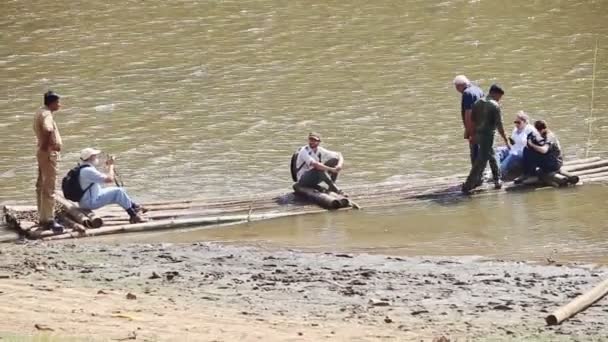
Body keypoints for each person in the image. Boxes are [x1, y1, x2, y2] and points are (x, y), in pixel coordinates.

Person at [461, 84, 511, 194]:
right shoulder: (494, 105)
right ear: (495, 93)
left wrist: (471, 135)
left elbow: (472, 121)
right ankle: (468, 184)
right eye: (500, 97)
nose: (499, 99)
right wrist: (506, 140)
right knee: (481, 160)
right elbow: (500, 126)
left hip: (479, 134)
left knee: (492, 155)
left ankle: (497, 179)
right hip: (489, 135)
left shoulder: (477, 103)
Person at [78, 148, 147, 223]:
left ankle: (134, 206)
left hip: (87, 199)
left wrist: (108, 166)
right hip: (90, 202)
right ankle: (133, 216)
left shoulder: (84, 168)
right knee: (118, 192)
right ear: (91, 157)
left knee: (120, 191)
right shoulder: (88, 171)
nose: (97, 157)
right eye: (95, 156)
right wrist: (111, 166)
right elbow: (110, 179)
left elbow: (101, 176)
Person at [33, 91, 64, 232]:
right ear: (52, 103)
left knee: (41, 185)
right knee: (49, 187)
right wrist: (47, 146)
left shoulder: (41, 111)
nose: (60, 105)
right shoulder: (47, 115)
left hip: (42, 153)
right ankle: (50, 220)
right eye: (58, 102)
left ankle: (43, 217)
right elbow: (48, 129)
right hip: (48, 154)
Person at [495, 111, 538, 180]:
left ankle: (499, 172)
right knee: (497, 150)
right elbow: (513, 142)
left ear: (525, 122)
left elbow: (534, 144)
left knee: (511, 157)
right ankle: (495, 169)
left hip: (521, 154)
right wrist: (509, 143)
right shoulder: (515, 129)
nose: (516, 124)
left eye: (518, 122)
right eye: (515, 122)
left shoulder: (530, 130)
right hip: (513, 149)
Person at [454, 75, 485, 165]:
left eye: (456, 87)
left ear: (460, 85)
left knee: (474, 152)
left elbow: (468, 114)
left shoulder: (467, 93)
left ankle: (476, 176)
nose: (456, 89)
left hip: (475, 128)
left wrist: (469, 133)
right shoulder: (478, 89)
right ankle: (485, 173)